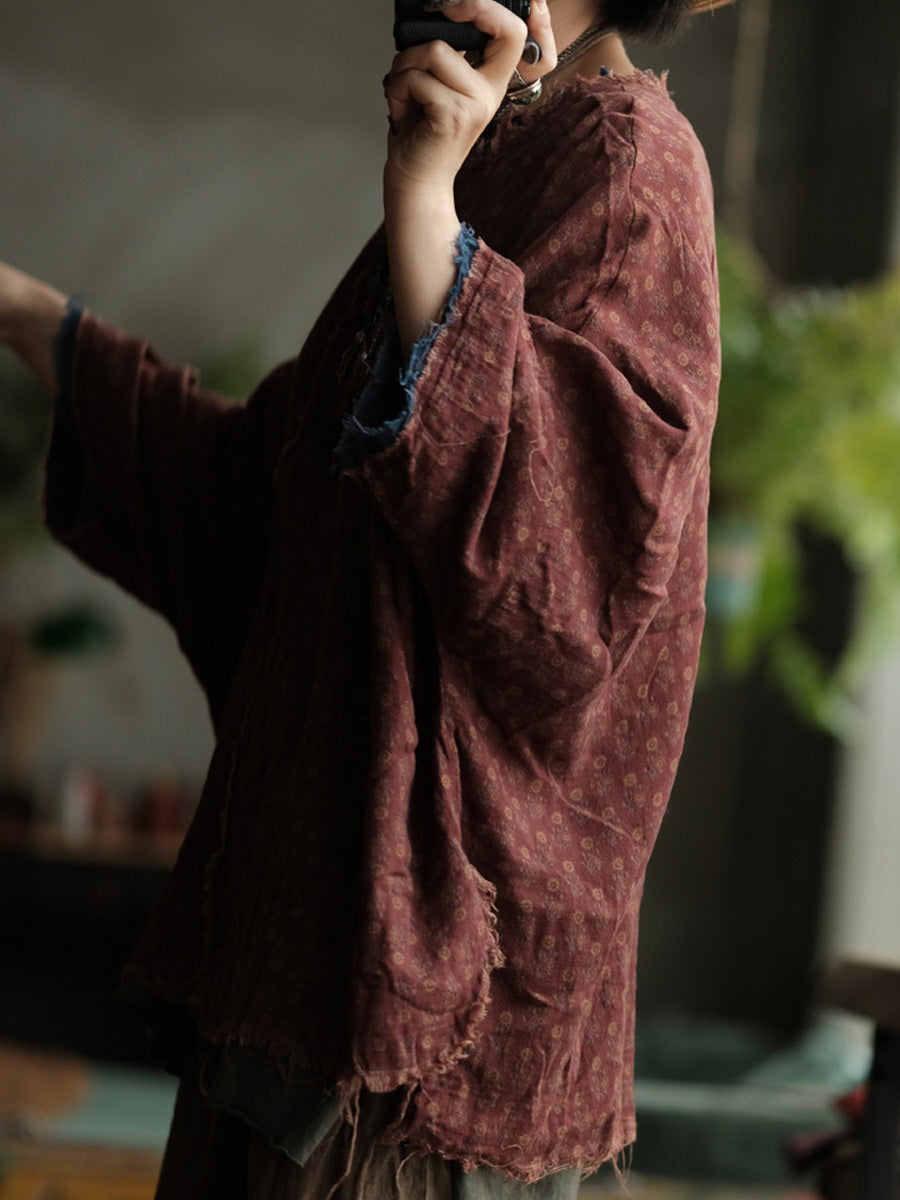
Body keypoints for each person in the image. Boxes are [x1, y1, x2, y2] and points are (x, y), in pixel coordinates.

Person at [0, 0, 730, 1193]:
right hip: (299, 1007)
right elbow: (262, 510)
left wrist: (428, 206)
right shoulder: (488, 150)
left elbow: (563, 582)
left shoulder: (623, 161)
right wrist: (28, 316)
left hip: (413, 1065)